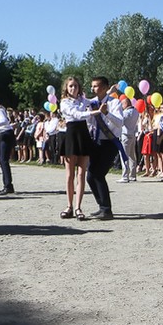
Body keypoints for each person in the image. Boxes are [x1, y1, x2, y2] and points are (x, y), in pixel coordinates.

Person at [58, 76, 101, 221]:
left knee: (81, 174)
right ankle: (69, 206)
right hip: (71, 134)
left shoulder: (83, 100)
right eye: (70, 86)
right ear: (66, 88)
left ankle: (78, 207)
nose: (73, 88)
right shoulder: (64, 102)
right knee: (70, 174)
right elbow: (76, 114)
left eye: (75, 86)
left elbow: (95, 100)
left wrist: (108, 92)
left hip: (83, 134)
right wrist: (95, 112)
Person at [85, 78, 123, 220]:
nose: (93, 89)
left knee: (99, 174)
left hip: (110, 142)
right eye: (92, 86)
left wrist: (107, 113)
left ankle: (107, 210)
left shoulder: (114, 103)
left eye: (96, 86)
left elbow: (120, 123)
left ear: (105, 87)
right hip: (96, 142)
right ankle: (102, 206)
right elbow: (89, 122)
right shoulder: (91, 103)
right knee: (90, 176)